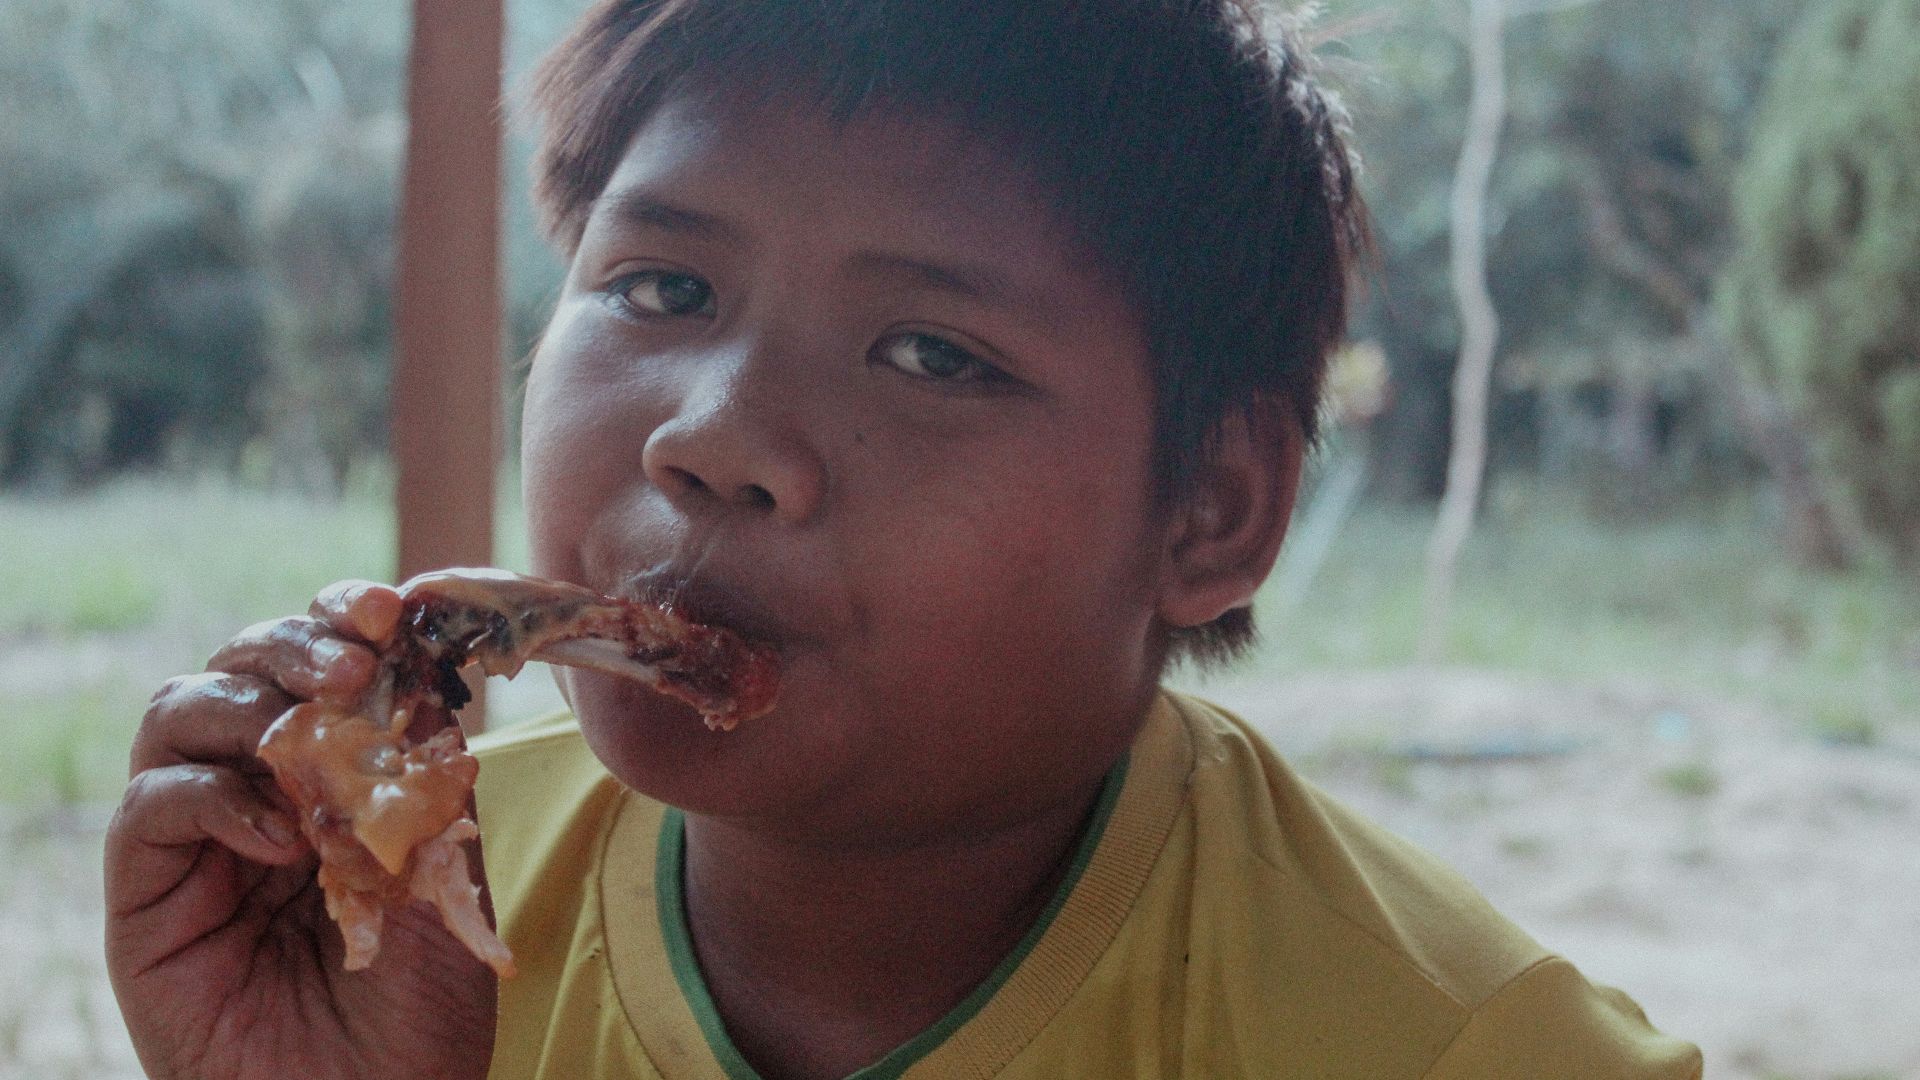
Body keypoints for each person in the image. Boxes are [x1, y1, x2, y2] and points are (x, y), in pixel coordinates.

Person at [104, 1, 1703, 1077]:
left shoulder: (1454, 1044)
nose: (714, 438)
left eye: (934, 354)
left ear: (1212, 511)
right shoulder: (399, 925)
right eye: (661, 290)